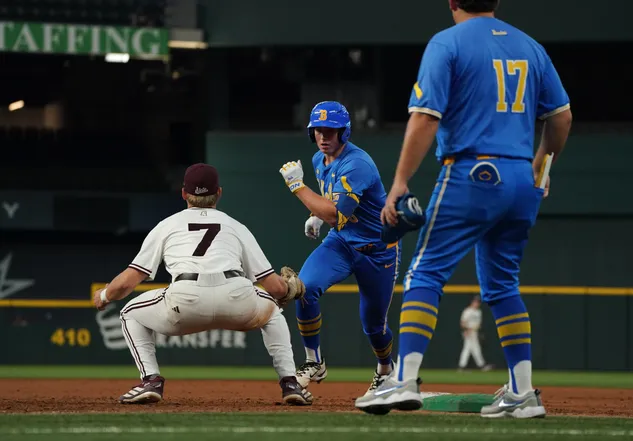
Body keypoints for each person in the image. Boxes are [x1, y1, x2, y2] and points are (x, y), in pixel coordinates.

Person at [356, 0, 572, 418]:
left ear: (452, 2)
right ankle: (522, 394)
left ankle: (403, 381)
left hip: (473, 171)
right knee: (503, 285)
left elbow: (425, 118)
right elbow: (560, 118)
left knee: (425, 272)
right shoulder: (530, 47)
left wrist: (399, 182)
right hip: (521, 177)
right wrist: (541, 171)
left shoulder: (447, 42)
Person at [92, 163, 312, 406]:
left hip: (186, 301)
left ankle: (151, 381)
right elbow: (277, 288)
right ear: (219, 193)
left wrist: (104, 296)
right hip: (236, 297)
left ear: (184, 193)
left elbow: (129, 281)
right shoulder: (236, 226)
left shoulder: (167, 225)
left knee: (129, 313)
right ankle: (290, 382)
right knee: (273, 313)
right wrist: (286, 290)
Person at [278, 101, 401, 399]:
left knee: (374, 326)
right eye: (318, 130)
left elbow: (336, 213)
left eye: (331, 131)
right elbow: (331, 207)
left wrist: (298, 187)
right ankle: (314, 362)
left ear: (344, 132)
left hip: (377, 250)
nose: (324, 136)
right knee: (304, 289)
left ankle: (386, 370)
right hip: (343, 242)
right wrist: (316, 216)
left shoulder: (357, 163)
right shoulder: (320, 160)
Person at [458, 296, 493, 372]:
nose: (476, 303)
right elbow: (462, 323)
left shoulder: (478, 312)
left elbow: (479, 324)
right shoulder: (467, 311)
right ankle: (481, 365)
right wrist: (466, 330)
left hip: (475, 332)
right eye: (475, 302)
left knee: (470, 349)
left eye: (478, 302)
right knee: (472, 349)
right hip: (468, 331)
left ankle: (462, 366)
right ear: (472, 302)